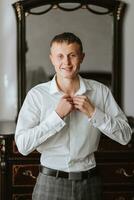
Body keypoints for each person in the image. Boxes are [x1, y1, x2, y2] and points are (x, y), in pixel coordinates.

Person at [15, 32, 132, 200]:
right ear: (52, 58)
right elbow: (23, 146)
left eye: (72, 55)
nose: (66, 62)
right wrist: (56, 116)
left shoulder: (100, 92)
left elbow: (125, 136)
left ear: (82, 57)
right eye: (60, 56)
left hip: (89, 183)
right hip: (50, 183)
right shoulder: (37, 95)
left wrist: (94, 113)